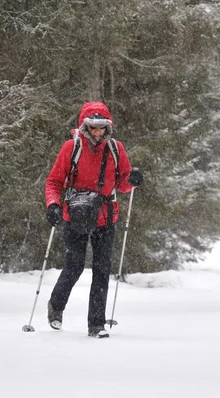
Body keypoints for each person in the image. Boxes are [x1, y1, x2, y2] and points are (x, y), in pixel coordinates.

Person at [44, 101, 143, 339]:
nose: (97, 132)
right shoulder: (71, 147)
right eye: (92, 127)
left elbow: (122, 183)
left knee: (101, 270)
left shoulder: (116, 149)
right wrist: (53, 205)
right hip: (75, 214)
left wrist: (132, 180)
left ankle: (96, 325)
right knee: (74, 266)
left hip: (106, 216)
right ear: (84, 126)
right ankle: (56, 306)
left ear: (108, 127)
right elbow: (54, 181)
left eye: (102, 127)